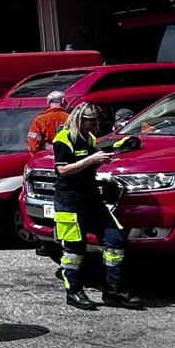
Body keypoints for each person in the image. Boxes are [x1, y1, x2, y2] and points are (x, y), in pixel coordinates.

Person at [50, 102, 143, 310]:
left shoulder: (90, 138)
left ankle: (113, 290)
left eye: (95, 120)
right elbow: (63, 170)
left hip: (92, 198)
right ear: (79, 119)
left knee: (115, 240)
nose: (94, 124)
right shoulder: (63, 139)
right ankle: (74, 292)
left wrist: (101, 161)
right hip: (69, 200)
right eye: (90, 120)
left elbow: (88, 165)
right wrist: (91, 159)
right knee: (74, 249)